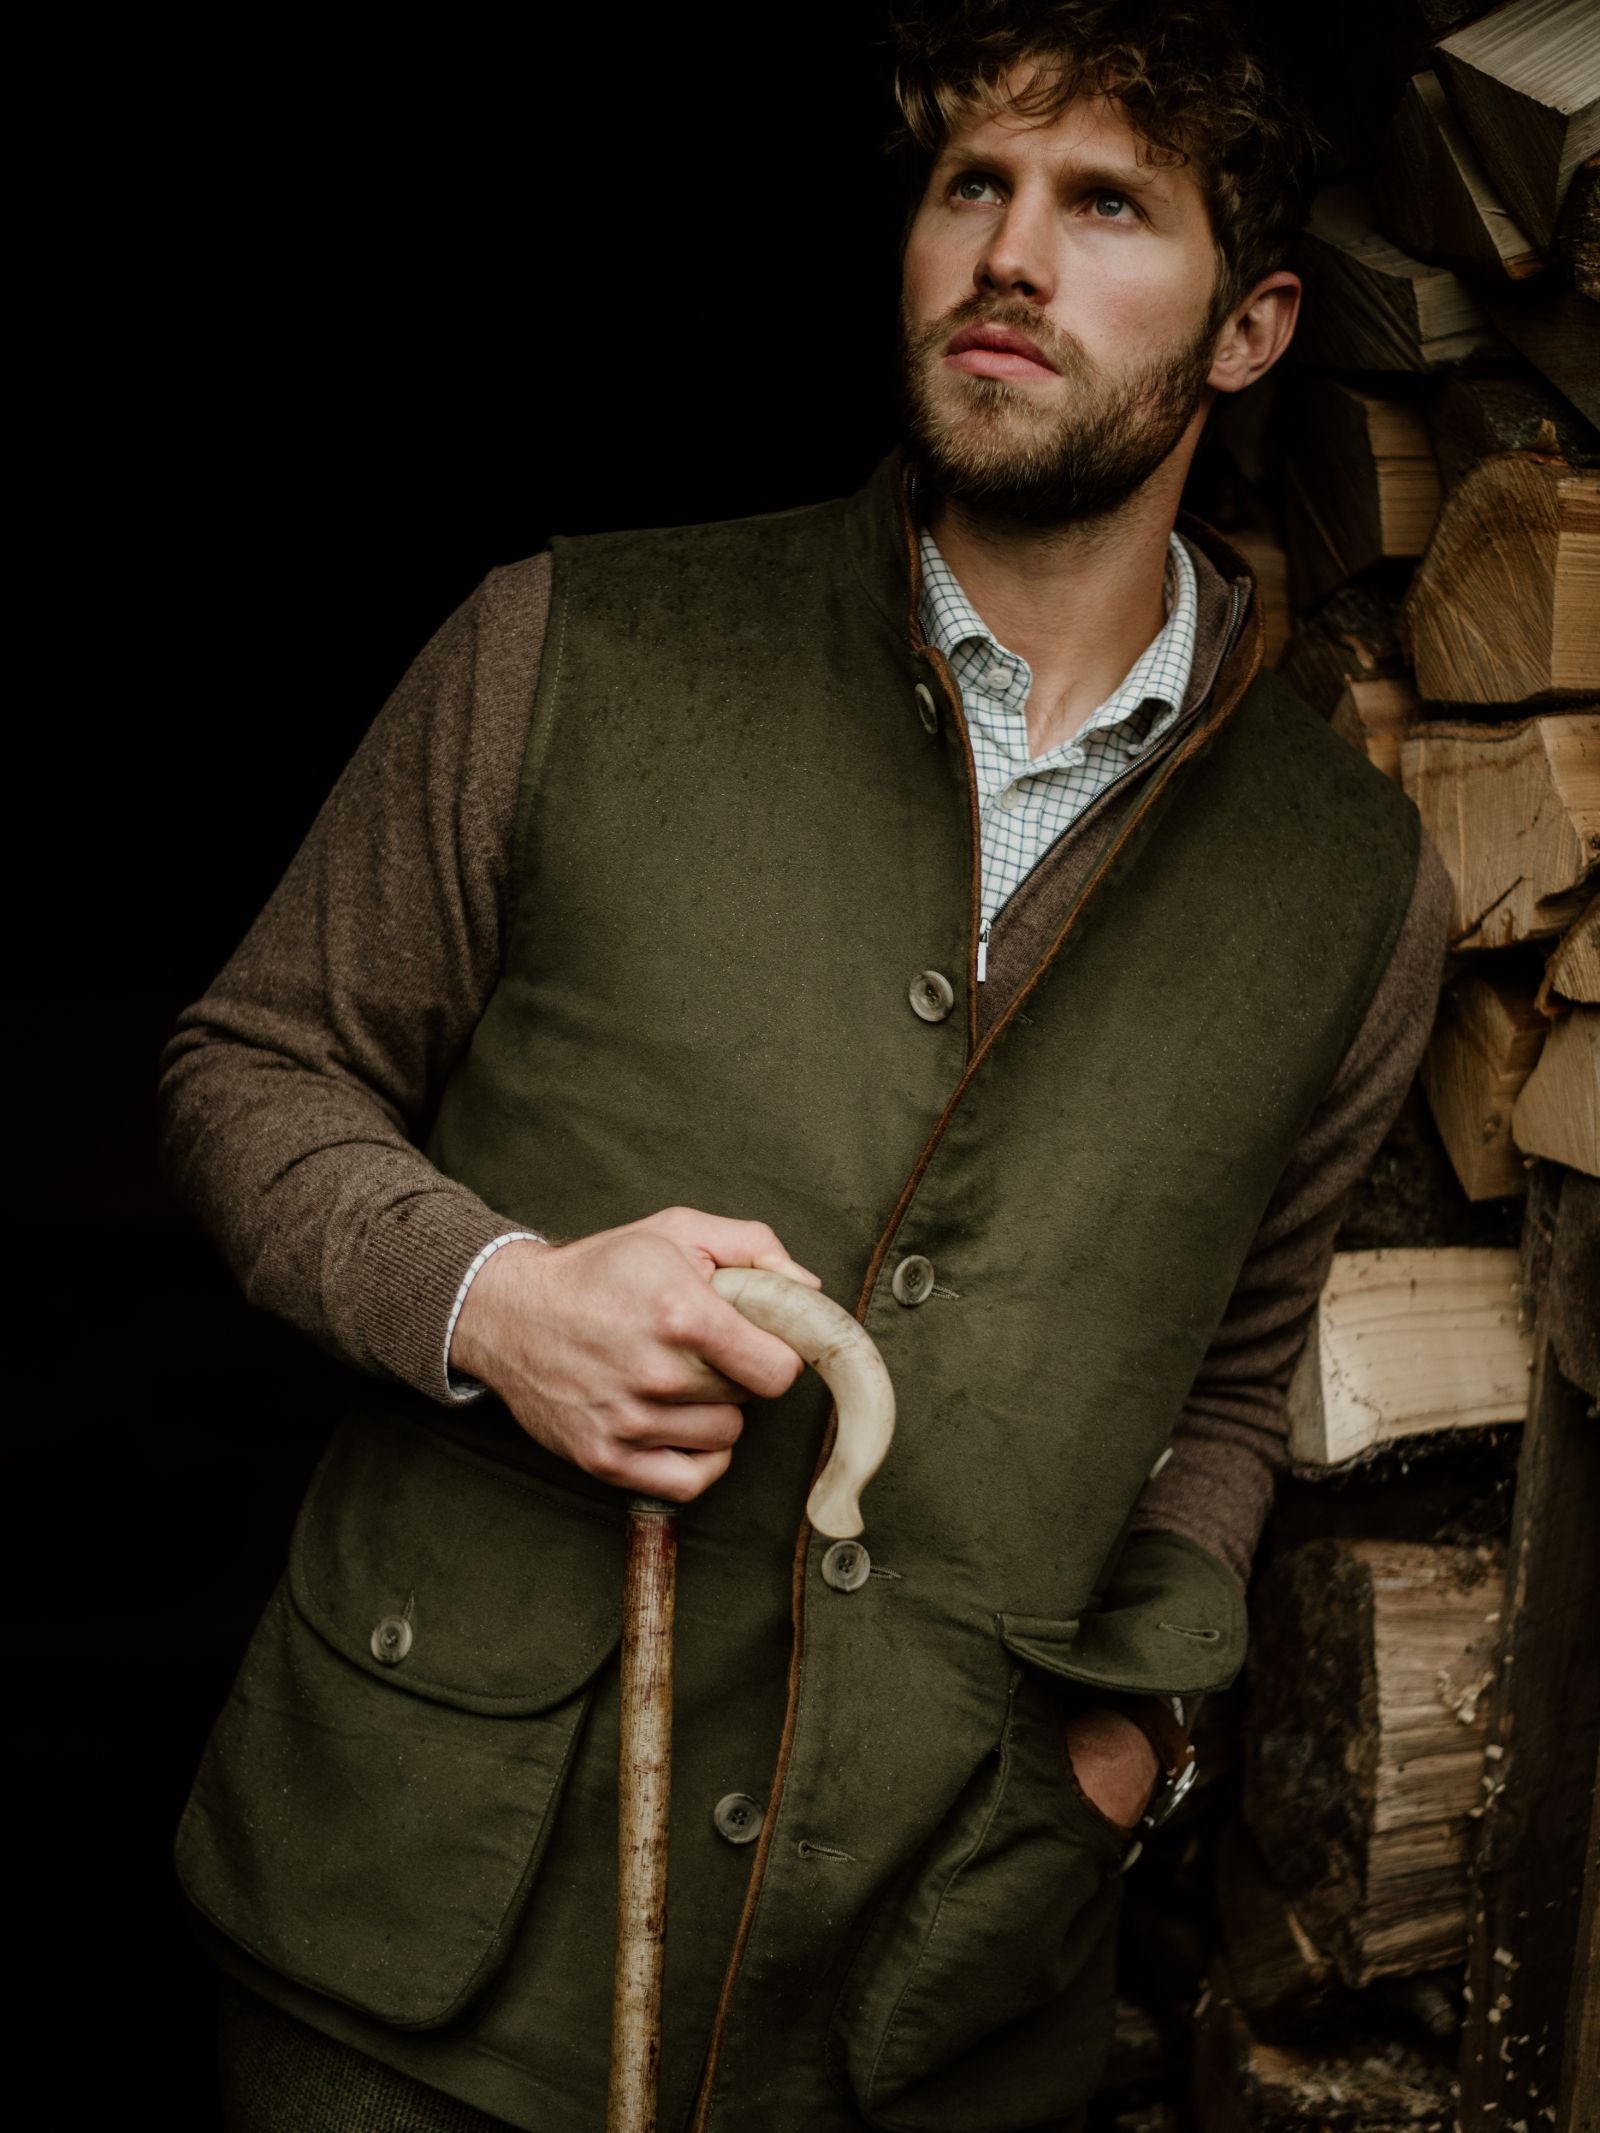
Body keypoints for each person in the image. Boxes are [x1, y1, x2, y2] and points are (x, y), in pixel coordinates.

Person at [160, 3, 1451, 2128]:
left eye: (1102, 204)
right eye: (970, 188)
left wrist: (1127, 1748)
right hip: (413, 1937)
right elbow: (250, 1064)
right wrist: (497, 1299)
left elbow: (1227, 1375)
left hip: (921, 1996)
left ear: (1250, 328)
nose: (1007, 255)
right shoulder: (566, 642)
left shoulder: (1351, 881)